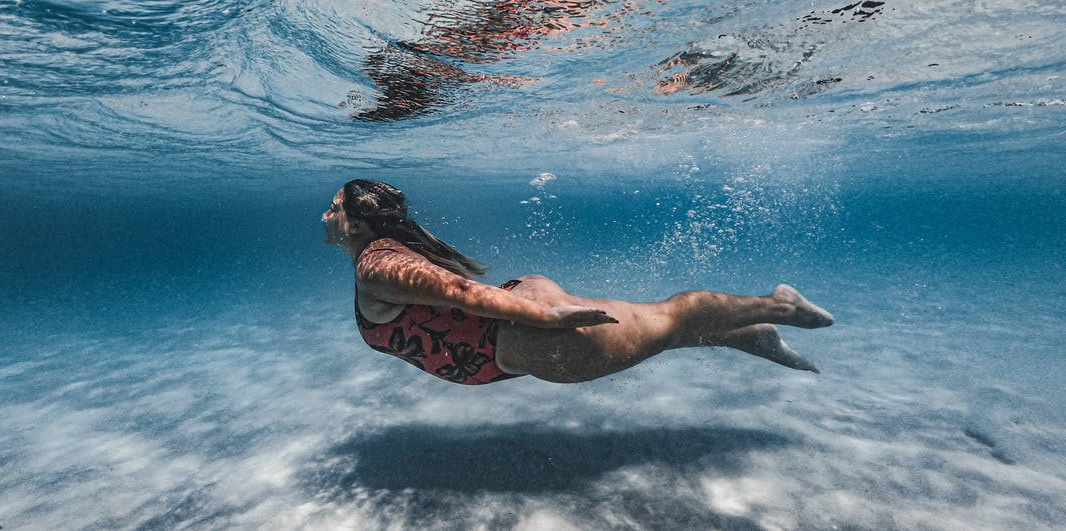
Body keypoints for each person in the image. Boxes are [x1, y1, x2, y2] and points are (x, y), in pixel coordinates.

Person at [324, 179, 834, 385]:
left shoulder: (376, 263)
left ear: (357, 222)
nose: (325, 215)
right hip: (519, 324)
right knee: (666, 330)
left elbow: (460, 292)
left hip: (532, 338)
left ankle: (778, 305)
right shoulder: (382, 258)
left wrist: (546, 317)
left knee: (672, 317)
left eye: (334, 208)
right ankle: (755, 335)